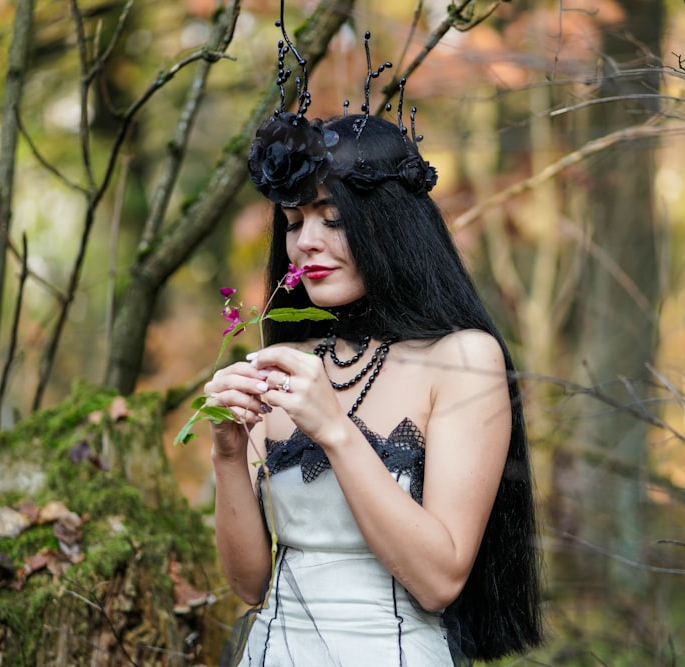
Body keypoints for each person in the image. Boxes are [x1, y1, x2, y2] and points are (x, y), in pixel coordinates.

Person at [204, 62, 541, 666]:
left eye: (332, 219)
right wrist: (228, 456)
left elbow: (439, 581)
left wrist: (335, 430)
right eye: (293, 222)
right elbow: (248, 586)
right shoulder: (287, 364)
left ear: (388, 226)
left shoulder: (462, 357)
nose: (305, 241)